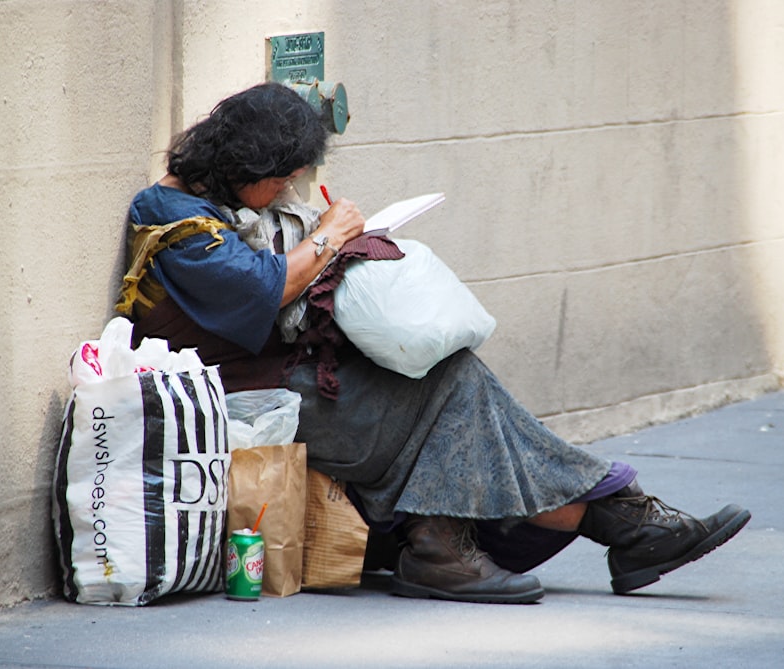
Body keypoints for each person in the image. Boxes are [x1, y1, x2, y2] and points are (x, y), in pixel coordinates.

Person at [116, 82, 750, 604]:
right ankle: (614, 519)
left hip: (289, 378)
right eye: (280, 179)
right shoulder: (168, 214)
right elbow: (257, 291)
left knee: (452, 379)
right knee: (453, 387)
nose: (287, 190)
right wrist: (331, 237)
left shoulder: (222, 204)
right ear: (243, 167)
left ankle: (463, 544)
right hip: (248, 403)